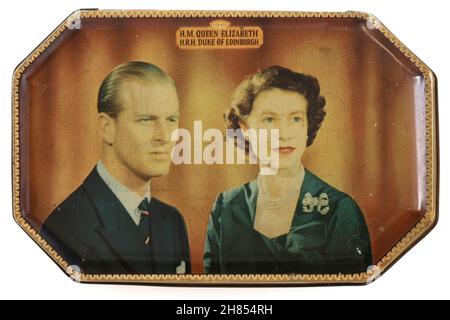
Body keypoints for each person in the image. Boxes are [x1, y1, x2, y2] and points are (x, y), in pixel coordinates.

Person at [204, 66, 372, 274]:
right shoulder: (226, 206)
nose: (284, 134)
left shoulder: (339, 210)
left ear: (307, 126)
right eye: (269, 119)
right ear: (245, 129)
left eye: (295, 119)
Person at [41, 61, 191, 275]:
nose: (165, 137)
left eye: (171, 119)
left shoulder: (171, 220)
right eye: (146, 120)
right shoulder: (65, 226)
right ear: (107, 128)